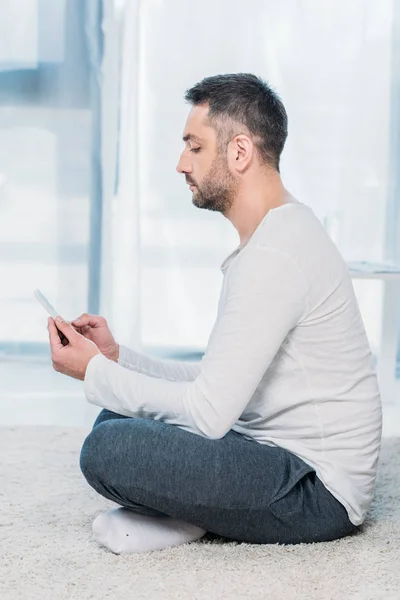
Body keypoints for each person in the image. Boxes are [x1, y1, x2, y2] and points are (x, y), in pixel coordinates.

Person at [48, 73, 382, 554]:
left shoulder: (275, 256)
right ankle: (195, 513)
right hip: (271, 452)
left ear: (240, 152)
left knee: (108, 449)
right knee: (113, 417)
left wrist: (94, 371)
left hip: (316, 492)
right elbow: (217, 381)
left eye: (195, 146)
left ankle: (193, 517)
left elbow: (208, 413)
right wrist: (117, 359)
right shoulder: (278, 236)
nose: (181, 163)